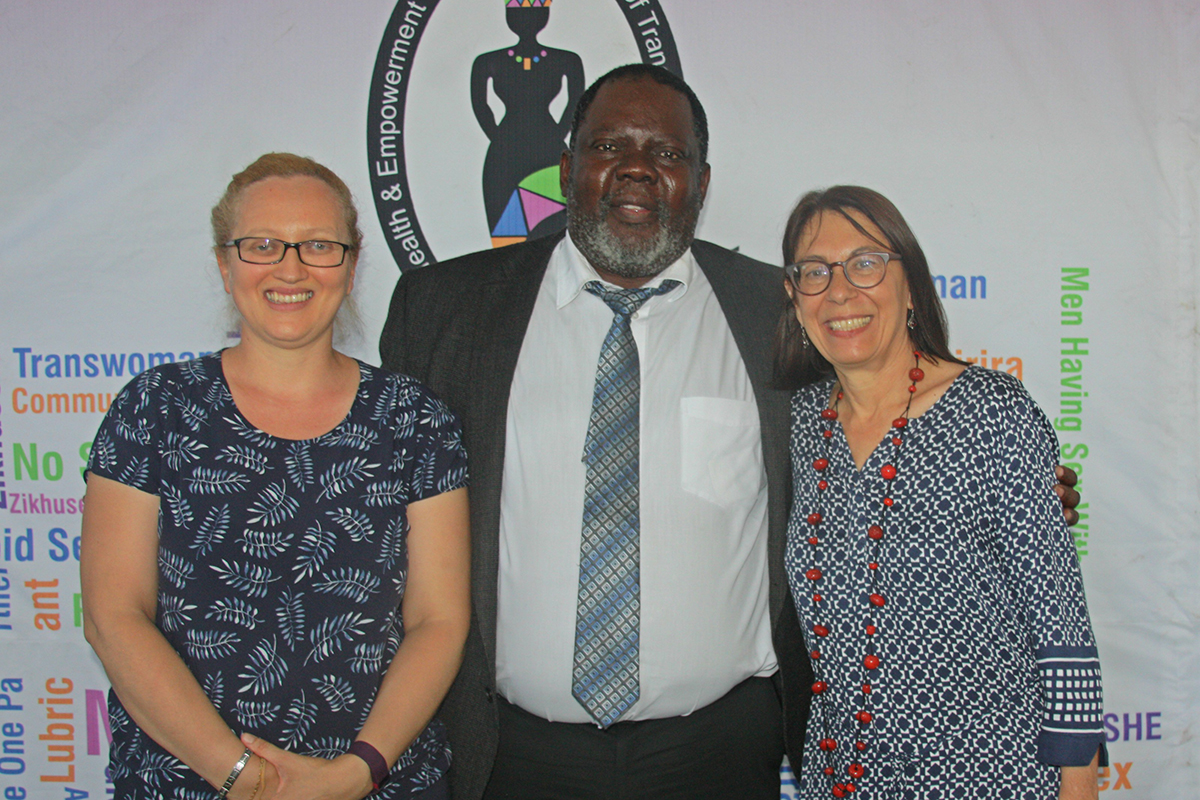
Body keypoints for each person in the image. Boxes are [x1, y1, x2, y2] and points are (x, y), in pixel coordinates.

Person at [381, 66, 1081, 799]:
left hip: (721, 752)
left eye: (669, 154)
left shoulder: (776, 313)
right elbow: (378, 488)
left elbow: (883, 423)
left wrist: (1013, 488)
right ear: (566, 170)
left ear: (703, 183)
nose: (637, 170)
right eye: (609, 145)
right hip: (510, 753)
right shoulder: (445, 312)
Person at [80, 153, 471, 800]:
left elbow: (438, 621)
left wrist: (356, 773)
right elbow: (114, 616)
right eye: (262, 245)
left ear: (350, 266)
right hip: (187, 784)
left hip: (381, 784)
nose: (290, 268)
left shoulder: (414, 421)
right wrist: (242, 778)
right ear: (223, 262)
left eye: (318, 245)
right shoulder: (154, 410)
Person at [774, 186, 1103, 799]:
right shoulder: (800, 423)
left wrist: (1078, 779)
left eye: (866, 263)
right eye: (815, 272)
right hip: (843, 778)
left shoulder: (990, 412)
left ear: (910, 285)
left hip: (990, 774)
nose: (840, 290)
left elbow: (1059, 622)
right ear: (794, 300)